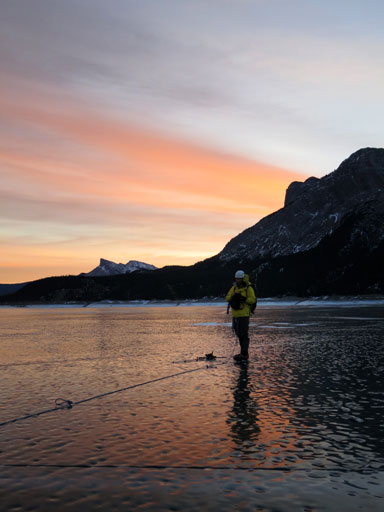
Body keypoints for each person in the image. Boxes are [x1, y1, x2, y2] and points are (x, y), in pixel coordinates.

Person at [226, 270, 256, 362]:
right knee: (239, 334)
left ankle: (244, 354)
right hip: (235, 315)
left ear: (243, 278)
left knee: (244, 334)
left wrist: (243, 298)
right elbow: (227, 297)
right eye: (236, 278)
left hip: (244, 315)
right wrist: (233, 297)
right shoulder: (234, 288)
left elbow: (252, 300)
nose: (237, 280)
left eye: (239, 278)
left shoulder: (248, 288)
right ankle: (242, 353)